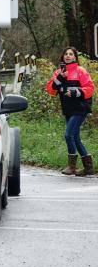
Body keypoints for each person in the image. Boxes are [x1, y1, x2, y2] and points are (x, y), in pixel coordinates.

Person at [46, 46, 95, 176]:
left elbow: (90, 88)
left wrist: (75, 92)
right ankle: (88, 167)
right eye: (66, 54)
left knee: (68, 135)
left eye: (71, 54)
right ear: (63, 57)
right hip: (67, 109)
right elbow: (51, 90)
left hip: (81, 107)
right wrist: (60, 78)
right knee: (76, 137)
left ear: (75, 57)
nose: (68, 56)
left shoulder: (81, 71)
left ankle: (71, 166)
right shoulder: (58, 72)